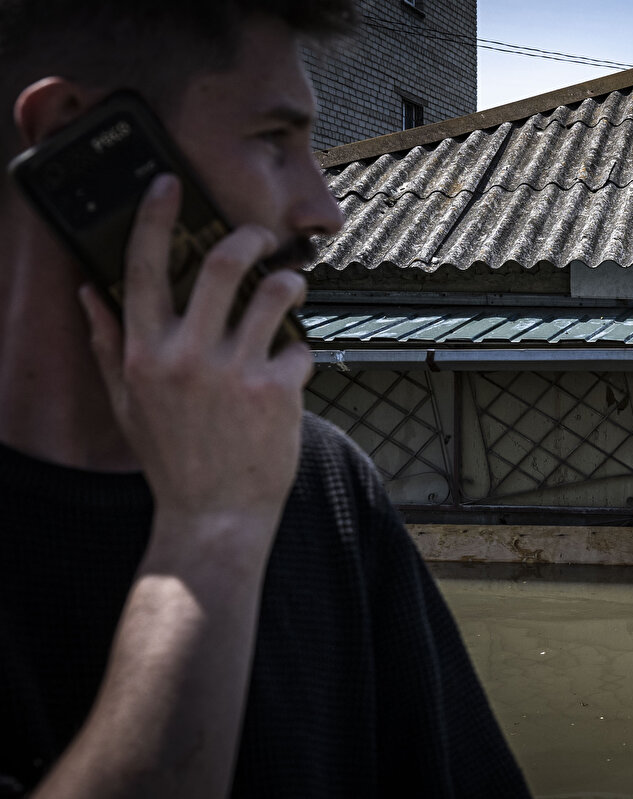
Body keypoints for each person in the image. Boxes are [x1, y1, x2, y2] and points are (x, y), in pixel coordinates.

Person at [0, 2, 531, 796]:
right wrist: (211, 532)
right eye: (273, 141)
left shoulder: (322, 480)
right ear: (80, 138)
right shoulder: (259, 481)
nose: (327, 210)